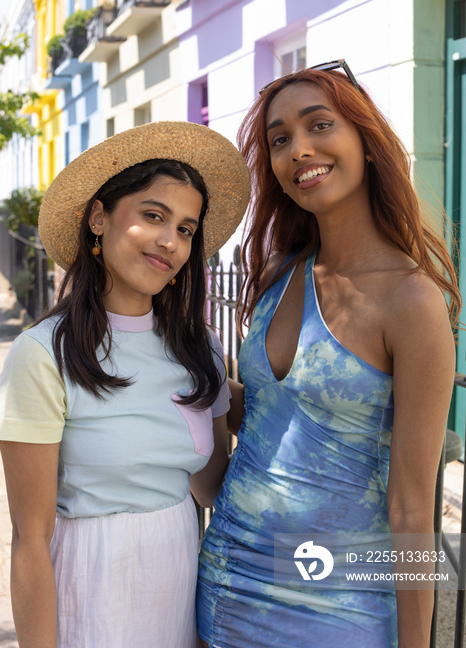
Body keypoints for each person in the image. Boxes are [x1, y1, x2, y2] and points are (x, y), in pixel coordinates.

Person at [197, 61, 461, 648]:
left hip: (337, 607)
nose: (299, 149)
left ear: (365, 141)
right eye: (280, 140)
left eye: (320, 125)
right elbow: (274, 417)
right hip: (226, 580)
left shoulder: (409, 299)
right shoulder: (278, 274)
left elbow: (414, 508)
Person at [0, 120, 250, 648]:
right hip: (89, 594)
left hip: (181, 586)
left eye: (185, 228)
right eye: (153, 215)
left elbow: (211, 489)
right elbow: (29, 541)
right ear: (99, 217)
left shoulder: (200, 347)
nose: (171, 241)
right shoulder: (44, 354)